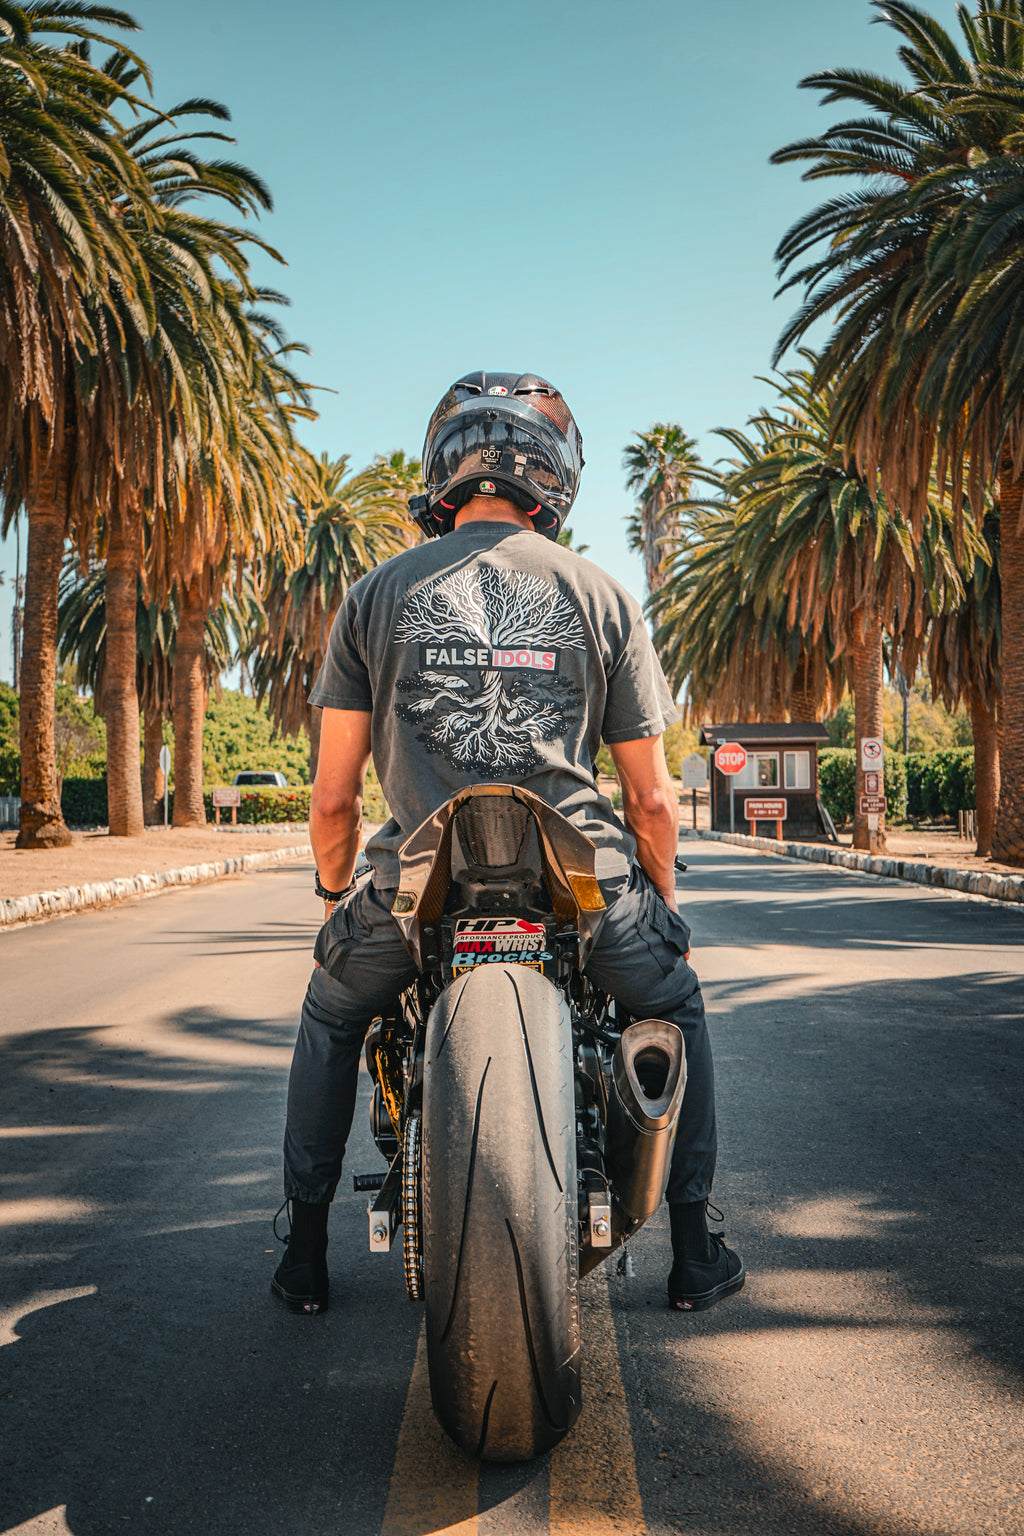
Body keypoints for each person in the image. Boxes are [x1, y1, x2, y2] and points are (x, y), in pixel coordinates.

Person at [272, 371, 744, 1317]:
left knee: (331, 1013)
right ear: (552, 479)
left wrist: (332, 902)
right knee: (674, 1005)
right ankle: (695, 1248)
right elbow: (652, 799)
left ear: (443, 474)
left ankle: (305, 1249)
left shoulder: (373, 594)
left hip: (416, 887)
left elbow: (331, 799)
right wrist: (662, 906)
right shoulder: (601, 593)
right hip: (583, 886)